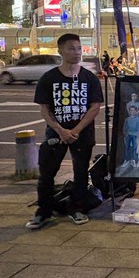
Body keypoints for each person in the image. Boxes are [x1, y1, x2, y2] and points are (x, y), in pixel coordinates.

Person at [26, 34, 103, 229]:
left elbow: (94, 106)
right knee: (47, 174)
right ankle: (42, 212)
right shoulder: (49, 78)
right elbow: (44, 108)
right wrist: (61, 131)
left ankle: (76, 208)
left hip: (82, 134)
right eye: (71, 48)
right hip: (56, 135)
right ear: (60, 51)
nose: (76, 52)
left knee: (80, 173)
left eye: (78, 48)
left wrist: (75, 130)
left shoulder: (89, 78)